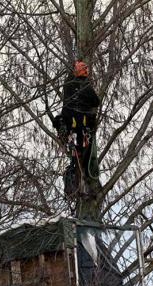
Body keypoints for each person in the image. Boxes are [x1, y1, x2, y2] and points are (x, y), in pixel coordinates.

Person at [53, 60, 100, 197]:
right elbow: (96, 101)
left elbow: (69, 79)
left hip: (67, 126)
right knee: (83, 157)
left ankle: (77, 183)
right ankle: (81, 186)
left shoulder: (67, 84)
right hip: (81, 128)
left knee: (76, 156)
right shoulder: (85, 86)